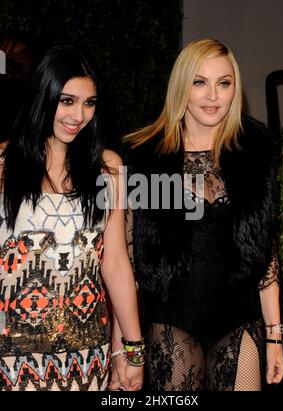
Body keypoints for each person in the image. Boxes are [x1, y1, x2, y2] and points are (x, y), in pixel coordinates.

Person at [123, 38, 283, 391]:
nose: (213, 95)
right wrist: (125, 348)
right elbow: (128, 265)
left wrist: (275, 338)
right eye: (200, 82)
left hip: (240, 320)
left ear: (235, 89)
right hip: (171, 322)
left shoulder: (254, 154)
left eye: (223, 83)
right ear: (182, 85)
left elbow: (265, 251)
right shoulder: (146, 159)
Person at [0, 45, 144, 391]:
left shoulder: (108, 167)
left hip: (86, 358)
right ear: (43, 96)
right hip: (9, 356)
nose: (78, 115)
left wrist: (132, 350)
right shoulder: (4, 164)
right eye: (67, 101)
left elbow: (116, 264)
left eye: (89, 103)